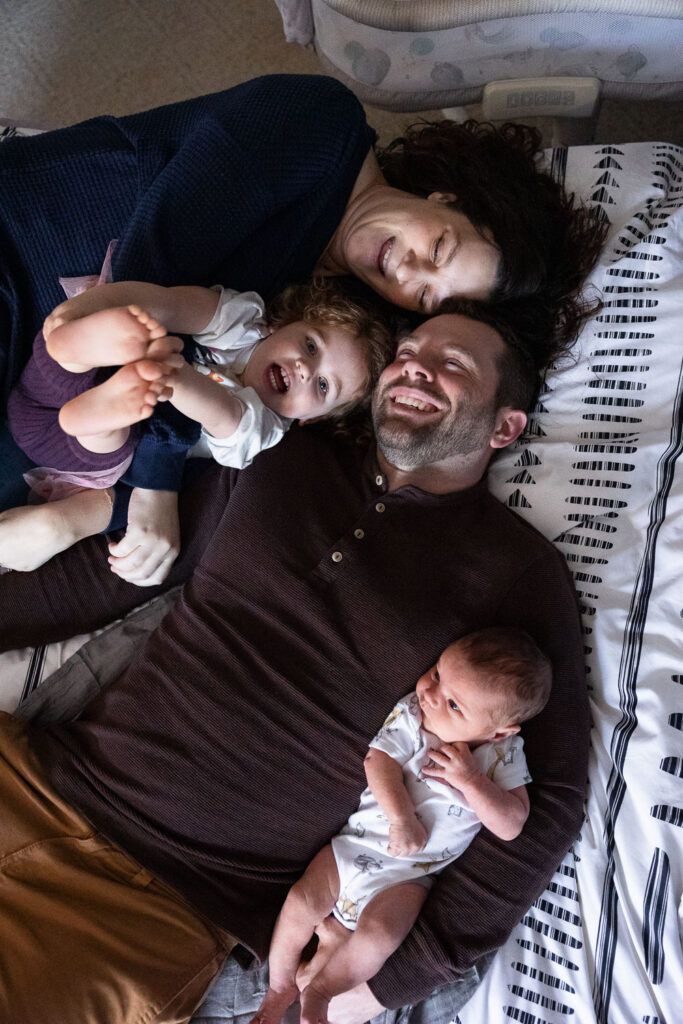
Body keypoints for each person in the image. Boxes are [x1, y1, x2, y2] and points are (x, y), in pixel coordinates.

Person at [0, 309, 589, 1024]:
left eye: (452, 364)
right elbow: (113, 575)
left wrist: (384, 984)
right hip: (36, 779)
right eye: (407, 351)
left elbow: (544, 806)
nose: (414, 365)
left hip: (161, 900)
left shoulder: (518, 571)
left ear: (504, 428)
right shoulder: (284, 459)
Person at [0, 73, 605, 584]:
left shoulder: (330, 327)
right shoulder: (320, 122)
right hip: (19, 252)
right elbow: (140, 287)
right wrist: (147, 488)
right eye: (440, 246)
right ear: (446, 198)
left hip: (48, 384)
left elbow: (237, 421)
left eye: (424, 296)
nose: (409, 270)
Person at [253, 627, 551, 1024]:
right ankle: (278, 987)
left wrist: (473, 782)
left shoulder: (503, 755)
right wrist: (401, 819)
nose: (430, 693)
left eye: (453, 704)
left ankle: (321, 993)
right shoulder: (413, 714)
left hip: (409, 878)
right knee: (301, 902)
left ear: (498, 732)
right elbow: (378, 761)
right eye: (437, 673)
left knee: (380, 937)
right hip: (355, 847)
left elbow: (512, 824)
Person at [1, 276, 393, 570]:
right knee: (60, 361)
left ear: (310, 419)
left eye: (323, 385)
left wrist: (171, 374)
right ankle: (79, 344)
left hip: (74, 454)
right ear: (284, 323)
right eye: (310, 345)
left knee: (117, 440)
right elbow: (164, 303)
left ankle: (98, 414)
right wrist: (100, 308)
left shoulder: (264, 428)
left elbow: (221, 412)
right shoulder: (244, 319)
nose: (305, 369)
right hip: (38, 399)